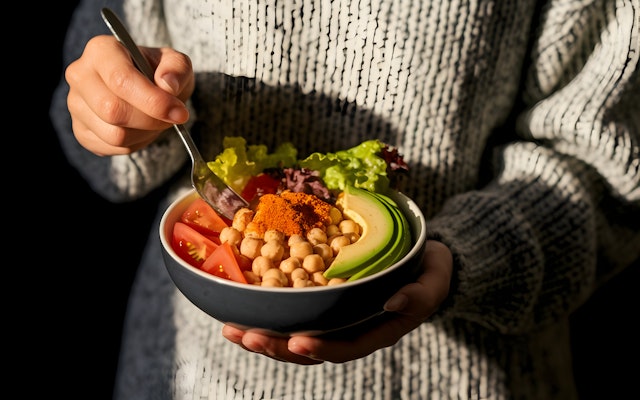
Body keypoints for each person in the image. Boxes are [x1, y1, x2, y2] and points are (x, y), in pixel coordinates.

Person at [51, 0, 639, 398]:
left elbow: (607, 168)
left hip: (465, 375)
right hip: (186, 373)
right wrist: (115, 114)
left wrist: (467, 256)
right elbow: (93, 80)